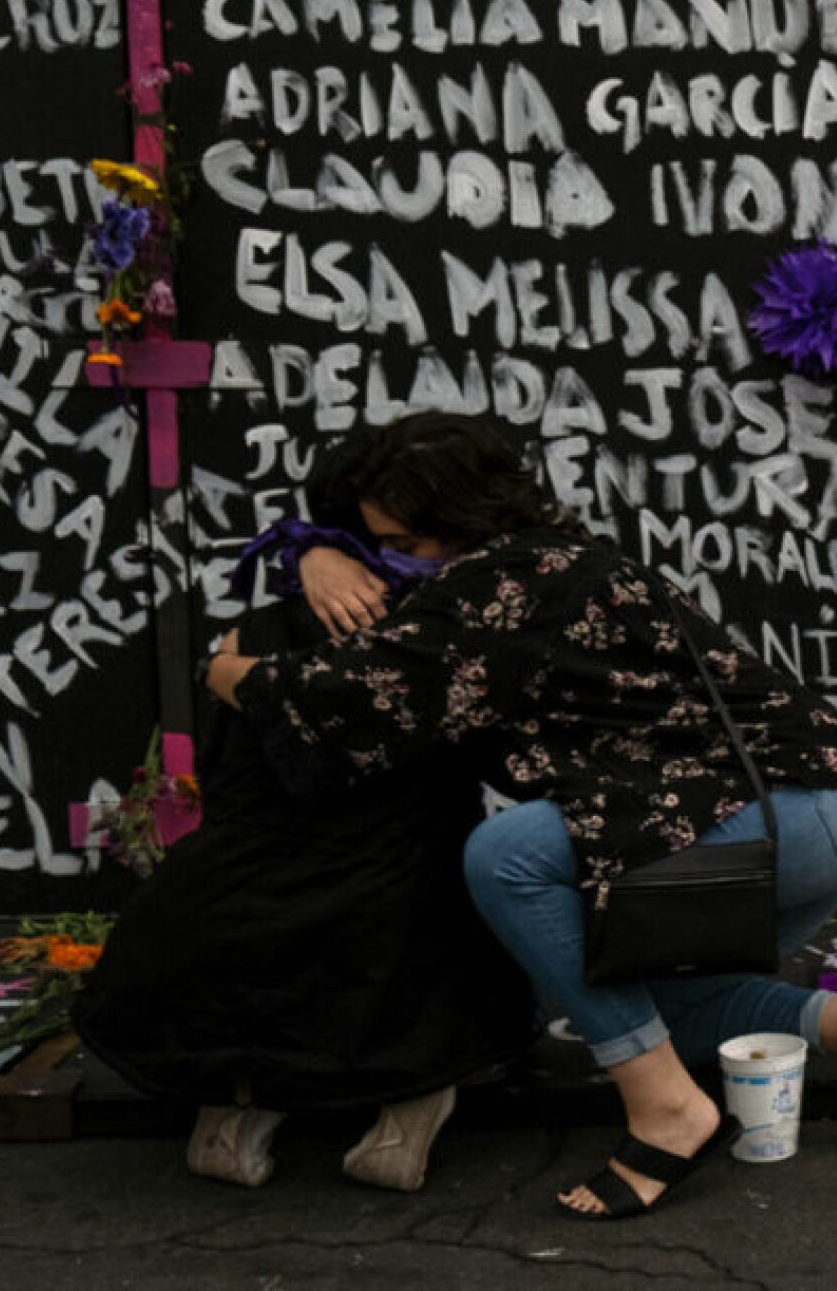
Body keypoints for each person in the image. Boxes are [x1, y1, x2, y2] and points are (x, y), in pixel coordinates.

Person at [202, 411, 837, 1220]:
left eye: (406, 544)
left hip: (769, 816)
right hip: (828, 808)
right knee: (640, 998)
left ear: (458, 518)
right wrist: (316, 549)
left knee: (507, 856)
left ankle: (668, 1112)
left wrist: (227, 668)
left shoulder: (497, 589)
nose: (393, 562)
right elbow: (349, 548)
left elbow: (350, 692)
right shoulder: (557, 554)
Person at [74, 431, 539, 1191]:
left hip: (229, 898)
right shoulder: (455, 632)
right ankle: (412, 1101)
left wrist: (241, 645)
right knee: (445, 888)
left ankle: (238, 1105)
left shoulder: (256, 633)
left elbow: (228, 769)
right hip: (398, 903)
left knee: (269, 924)